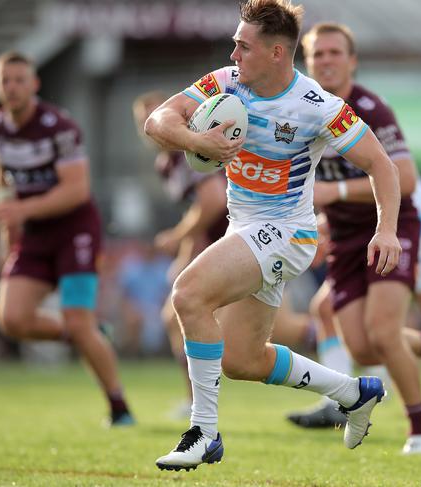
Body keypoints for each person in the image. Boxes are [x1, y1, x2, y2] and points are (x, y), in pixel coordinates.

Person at [144, 0, 402, 471]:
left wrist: (387, 230)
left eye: (244, 46)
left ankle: (203, 432)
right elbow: (158, 119)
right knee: (242, 360)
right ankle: (353, 392)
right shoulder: (226, 83)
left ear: (277, 53)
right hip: (245, 229)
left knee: (188, 293)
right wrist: (196, 140)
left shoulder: (316, 106)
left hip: (287, 233)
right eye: (235, 45)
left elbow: (381, 165)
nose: (234, 53)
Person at [287, 21, 421, 454]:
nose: (325, 61)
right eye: (317, 54)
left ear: (353, 61)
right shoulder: (300, 111)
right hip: (343, 236)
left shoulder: (371, 109)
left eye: (334, 52)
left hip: (391, 225)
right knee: (362, 345)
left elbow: (407, 178)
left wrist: (335, 192)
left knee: (383, 331)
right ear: (306, 64)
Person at [133, 90, 317, 417]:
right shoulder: (169, 161)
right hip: (234, 244)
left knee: (271, 336)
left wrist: (177, 238)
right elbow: (201, 212)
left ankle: (341, 347)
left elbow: (213, 202)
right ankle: (342, 358)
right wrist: (186, 252)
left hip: (249, 243)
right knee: (197, 326)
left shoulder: (187, 150)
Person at [0, 51, 134, 426]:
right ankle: (88, 333)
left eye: (20, 80)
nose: (12, 87)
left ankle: (119, 407)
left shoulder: (59, 126)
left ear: (34, 85)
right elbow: (4, 176)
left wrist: (23, 212)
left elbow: (77, 191)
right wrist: (8, 225)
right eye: (5, 80)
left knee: (77, 319)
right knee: (12, 320)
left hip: (75, 231)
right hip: (33, 234)